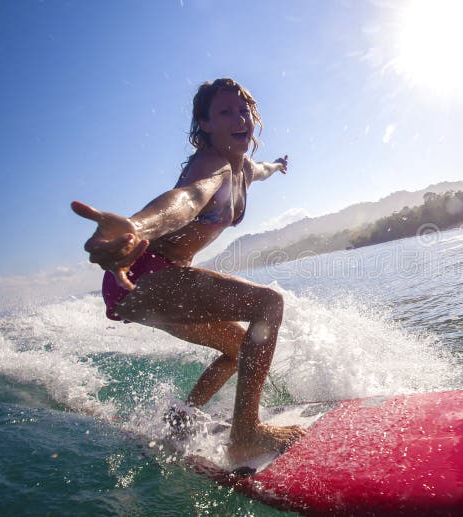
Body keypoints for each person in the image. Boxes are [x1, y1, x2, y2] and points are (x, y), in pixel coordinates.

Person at [71, 78, 306, 462]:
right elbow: (185, 200)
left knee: (236, 349)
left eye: (243, 109)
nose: (239, 117)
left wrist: (278, 165)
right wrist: (137, 228)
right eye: (225, 111)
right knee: (269, 304)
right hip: (145, 273)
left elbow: (259, 168)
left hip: (146, 286)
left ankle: (183, 415)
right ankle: (246, 431)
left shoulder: (242, 169)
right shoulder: (210, 166)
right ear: (205, 124)